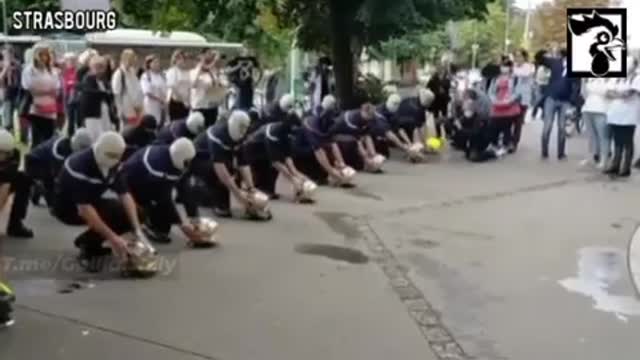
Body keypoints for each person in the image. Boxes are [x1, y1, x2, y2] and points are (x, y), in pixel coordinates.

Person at [51, 131, 143, 271]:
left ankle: (88, 241)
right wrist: (114, 239)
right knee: (108, 216)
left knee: (138, 214)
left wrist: (137, 230)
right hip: (69, 208)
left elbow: (125, 195)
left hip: (92, 201)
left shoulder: (115, 163)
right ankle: (88, 247)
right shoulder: (78, 166)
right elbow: (85, 210)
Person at [121, 137, 201, 244]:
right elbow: (164, 199)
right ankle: (145, 220)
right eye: (187, 161)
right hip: (132, 184)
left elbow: (184, 188)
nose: (189, 163)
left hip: (147, 181)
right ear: (180, 158)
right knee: (157, 209)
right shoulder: (157, 168)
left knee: (165, 222)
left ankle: (151, 219)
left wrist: (194, 217)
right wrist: (183, 225)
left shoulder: (174, 155)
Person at [192, 110, 256, 218]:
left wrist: (251, 189)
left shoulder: (241, 135)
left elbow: (243, 163)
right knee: (224, 172)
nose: (244, 130)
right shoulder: (217, 134)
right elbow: (220, 168)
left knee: (234, 171)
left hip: (217, 160)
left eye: (246, 127)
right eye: (242, 127)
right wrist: (239, 195)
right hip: (198, 160)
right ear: (235, 124)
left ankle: (213, 198)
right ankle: (215, 201)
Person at [240, 106, 309, 201]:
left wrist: (296, 173)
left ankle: (268, 189)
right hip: (252, 149)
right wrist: (292, 179)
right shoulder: (273, 133)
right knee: (267, 168)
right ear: (289, 126)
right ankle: (259, 190)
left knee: (277, 168)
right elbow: (275, 161)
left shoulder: (287, 133)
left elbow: (287, 156)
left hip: (264, 150)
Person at [291, 95, 350, 185]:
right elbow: (319, 152)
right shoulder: (312, 123)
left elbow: (333, 144)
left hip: (313, 140)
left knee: (330, 147)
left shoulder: (327, 117)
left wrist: (342, 163)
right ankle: (322, 176)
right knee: (321, 151)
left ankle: (331, 172)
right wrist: (332, 172)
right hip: (300, 148)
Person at [27, 128, 92, 207]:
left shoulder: (70, 145)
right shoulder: (59, 150)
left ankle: (41, 188)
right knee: (53, 189)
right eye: (82, 149)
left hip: (46, 163)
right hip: (34, 163)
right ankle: (39, 188)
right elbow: (58, 176)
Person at [540, 48, 581, 160]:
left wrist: (573, 100)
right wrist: (546, 49)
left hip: (565, 100)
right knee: (547, 125)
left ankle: (561, 153)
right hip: (551, 98)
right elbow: (539, 58)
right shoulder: (555, 62)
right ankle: (544, 151)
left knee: (562, 127)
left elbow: (577, 85)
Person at [604, 56, 640, 178]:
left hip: (629, 114)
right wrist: (618, 94)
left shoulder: (637, 78)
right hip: (615, 113)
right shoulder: (618, 77)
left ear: (634, 66)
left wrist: (617, 94)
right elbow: (608, 92)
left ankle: (626, 168)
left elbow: (629, 94)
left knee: (627, 142)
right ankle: (615, 165)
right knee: (617, 141)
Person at [21, 43, 60, 147]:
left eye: (46, 55)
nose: (43, 57)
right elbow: (28, 87)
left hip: (50, 108)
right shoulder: (29, 70)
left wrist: (45, 91)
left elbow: (56, 88)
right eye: (41, 54)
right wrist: (45, 91)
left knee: (49, 137)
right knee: (36, 137)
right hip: (36, 108)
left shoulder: (52, 71)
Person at [0, 129, 33, 237]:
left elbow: (6, 185)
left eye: (5, 153)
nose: (2, 156)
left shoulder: (14, 155)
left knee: (24, 179)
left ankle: (15, 225)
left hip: (2, 180)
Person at [331, 103, 380, 172]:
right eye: (369, 115)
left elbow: (367, 136)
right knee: (352, 142)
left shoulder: (369, 118)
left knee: (371, 138)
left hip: (349, 134)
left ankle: (369, 162)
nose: (370, 117)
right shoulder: (353, 118)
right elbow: (357, 141)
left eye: (372, 115)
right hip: (336, 134)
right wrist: (366, 158)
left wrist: (374, 155)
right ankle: (343, 164)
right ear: (363, 111)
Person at [371, 93, 421, 161]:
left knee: (386, 154)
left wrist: (409, 143)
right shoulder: (378, 112)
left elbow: (399, 129)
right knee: (382, 153)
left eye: (397, 105)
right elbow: (389, 133)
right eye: (394, 104)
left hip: (385, 132)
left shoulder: (394, 111)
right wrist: (404, 148)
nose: (396, 106)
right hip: (372, 133)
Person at [78, 55, 117, 142]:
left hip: (103, 112)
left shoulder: (103, 80)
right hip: (93, 113)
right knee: (95, 136)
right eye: (97, 67)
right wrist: (105, 93)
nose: (100, 70)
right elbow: (90, 92)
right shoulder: (88, 78)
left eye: (102, 67)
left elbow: (109, 95)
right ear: (92, 67)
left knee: (106, 134)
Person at [488, 59, 520, 153]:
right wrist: (494, 100)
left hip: (509, 105)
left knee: (507, 126)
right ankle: (494, 143)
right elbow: (491, 91)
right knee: (495, 125)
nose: (504, 68)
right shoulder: (495, 78)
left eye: (506, 66)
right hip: (497, 104)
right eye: (502, 66)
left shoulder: (514, 78)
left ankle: (507, 143)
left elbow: (517, 92)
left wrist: (510, 100)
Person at [191, 49, 227, 127]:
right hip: (200, 106)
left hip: (211, 106)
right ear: (203, 55)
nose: (211, 56)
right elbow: (193, 84)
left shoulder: (213, 71)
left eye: (212, 54)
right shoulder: (195, 70)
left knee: (211, 127)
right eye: (209, 53)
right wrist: (202, 66)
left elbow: (218, 84)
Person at [581, 77, 611, 169]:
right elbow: (583, 93)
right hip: (588, 108)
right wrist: (583, 81)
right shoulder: (589, 78)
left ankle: (604, 159)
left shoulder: (609, 79)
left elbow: (607, 93)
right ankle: (591, 157)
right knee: (591, 136)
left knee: (603, 136)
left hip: (602, 109)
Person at [112, 49, 144, 130]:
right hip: (125, 109)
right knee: (126, 131)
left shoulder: (132, 72)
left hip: (136, 109)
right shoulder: (119, 73)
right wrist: (120, 111)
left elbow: (137, 89)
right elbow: (117, 94)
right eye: (132, 58)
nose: (134, 60)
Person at [512, 48, 535, 151]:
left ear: (524, 57)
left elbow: (524, 74)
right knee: (508, 120)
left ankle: (514, 142)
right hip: (511, 98)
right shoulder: (513, 67)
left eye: (520, 56)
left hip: (523, 98)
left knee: (518, 121)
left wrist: (512, 70)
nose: (518, 58)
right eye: (516, 56)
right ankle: (507, 140)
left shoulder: (528, 67)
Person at [140, 54, 167, 127]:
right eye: (154, 62)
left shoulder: (161, 75)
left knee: (162, 124)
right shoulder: (146, 76)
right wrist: (159, 99)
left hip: (162, 106)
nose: (157, 64)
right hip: (151, 105)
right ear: (149, 64)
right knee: (152, 123)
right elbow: (147, 92)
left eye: (158, 62)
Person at [166, 50, 192, 122]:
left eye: (184, 58)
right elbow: (173, 88)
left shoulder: (187, 72)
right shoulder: (172, 71)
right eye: (180, 58)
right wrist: (183, 101)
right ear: (175, 60)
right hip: (176, 102)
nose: (183, 60)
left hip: (186, 103)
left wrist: (189, 101)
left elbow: (189, 87)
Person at [0, 47, 21, 133]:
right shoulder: (1, 65)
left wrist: (14, 65)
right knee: (7, 114)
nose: (8, 56)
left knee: (17, 113)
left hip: (17, 91)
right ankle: (7, 131)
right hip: (5, 91)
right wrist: (5, 68)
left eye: (9, 54)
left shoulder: (17, 64)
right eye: (5, 54)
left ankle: (13, 131)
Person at [427, 67, 451, 139]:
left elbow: (446, 88)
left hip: (441, 102)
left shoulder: (445, 81)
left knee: (443, 118)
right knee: (438, 118)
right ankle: (440, 133)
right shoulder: (434, 80)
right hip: (437, 102)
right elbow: (428, 88)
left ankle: (446, 133)